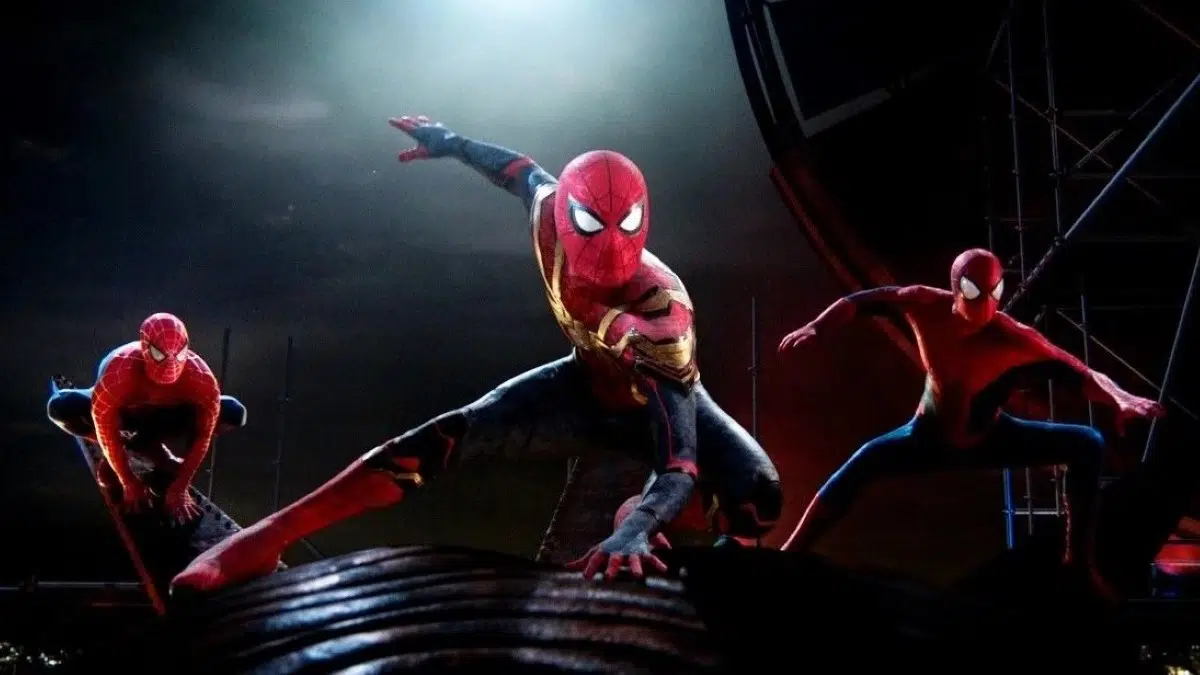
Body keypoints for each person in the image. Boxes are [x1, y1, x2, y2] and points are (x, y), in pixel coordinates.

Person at [171, 116, 781, 592]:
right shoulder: (549, 212)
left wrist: (637, 528)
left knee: (758, 498)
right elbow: (517, 169)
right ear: (568, 222)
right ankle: (260, 541)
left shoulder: (664, 318)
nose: (604, 267)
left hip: (656, 405)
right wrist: (449, 142)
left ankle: (659, 532)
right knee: (438, 440)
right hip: (581, 389)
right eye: (593, 235)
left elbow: (679, 462)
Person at [777, 248, 1164, 592]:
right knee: (861, 462)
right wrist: (817, 326)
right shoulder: (924, 306)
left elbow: (1079, 371)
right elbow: (864, 301)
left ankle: (1077, 564)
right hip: (925, 437)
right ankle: (789, 553)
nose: (986, 304)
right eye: (974, 291)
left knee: (1088, 443)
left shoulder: (1012, 338)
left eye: (995, 291)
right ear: (955, 287)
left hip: (989, 439)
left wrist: (1121, 398)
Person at [47, 312, 246, 522]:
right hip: (124, 415)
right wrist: (128, 482)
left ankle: (149, 446)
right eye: (160, 355)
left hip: (166, 420)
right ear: (145, 348)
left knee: (233, 411)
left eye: (178, 356)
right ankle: (130, 445)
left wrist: (180, 487)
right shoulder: (120, 371)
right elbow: (103, 425)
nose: (170, 365)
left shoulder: (201, 379)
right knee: (62, 406)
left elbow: (203, 436)